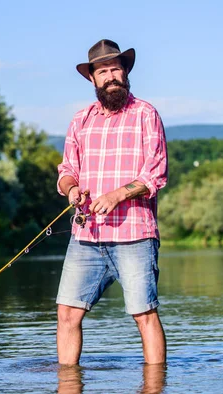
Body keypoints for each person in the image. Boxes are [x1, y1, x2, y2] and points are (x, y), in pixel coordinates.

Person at [56, 39, 168, 365]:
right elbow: (66, 171)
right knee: (67, 314)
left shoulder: (146, 114)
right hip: (87, 237)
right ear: (92, 78)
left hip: (134, 235)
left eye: (115, 68)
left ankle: (155, 387)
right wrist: (72, 189)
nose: (110, 76)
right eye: (103, 71)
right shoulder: (80, 120)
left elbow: (155, 174)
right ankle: (68, 384)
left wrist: (117, 195)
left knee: (143, 314)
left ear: (126, 72)